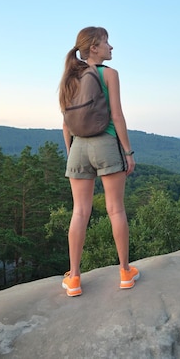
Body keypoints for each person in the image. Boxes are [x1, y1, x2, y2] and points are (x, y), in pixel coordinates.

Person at [58, 26, 139, 297]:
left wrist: (72, 153)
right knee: (115, 209)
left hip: (79, 146)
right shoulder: (109, 74)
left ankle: (74, 278)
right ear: (93, 47)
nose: (111, 47)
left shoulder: (71, 76)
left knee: (80, 212)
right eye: (106, 42)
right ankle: (125, 272)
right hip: (105, 144)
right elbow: (117, 116)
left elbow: (65, 123)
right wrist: (128, 152)